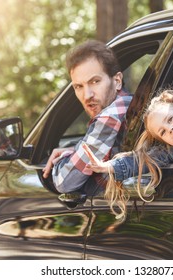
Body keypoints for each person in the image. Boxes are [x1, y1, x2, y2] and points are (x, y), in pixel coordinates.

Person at [83, 89, 173, 220]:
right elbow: (139, 160)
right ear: (162, 141)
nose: (170, 128)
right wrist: (107, 166)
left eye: (170, 119)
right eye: (163, 132)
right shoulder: (168, 151)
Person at [42, 40, 132, 194]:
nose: (87, 95)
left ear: (117, 81)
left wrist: (66, 155)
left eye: (95, 81)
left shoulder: (110, 116)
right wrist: (74, 149)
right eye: (79, 86)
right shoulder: (129, 103)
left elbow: (64, 182)